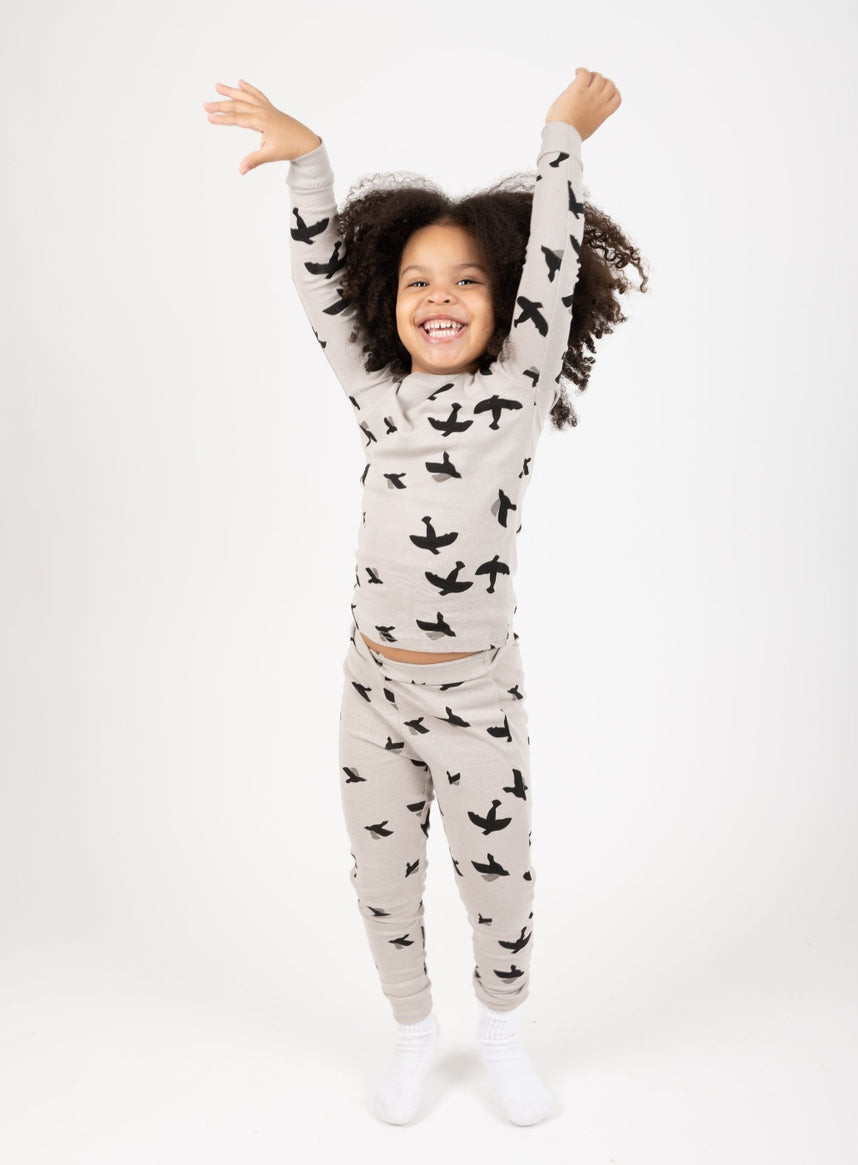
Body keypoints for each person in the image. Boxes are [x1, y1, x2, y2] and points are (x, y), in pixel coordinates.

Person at [204, 69, 647, 1126]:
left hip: (475, 695)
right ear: (388, 303)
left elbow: (552, 271)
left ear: (502, 303)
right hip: (372, 690)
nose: (439, 297)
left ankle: (500, 1031)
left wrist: (560, 139)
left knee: (498, 878)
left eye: (466, 282)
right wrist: (308, 165)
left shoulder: (514, 392)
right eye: (416, 282)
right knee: (382, 879)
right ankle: (411, 1033)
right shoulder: (379, 396)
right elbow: (319, 286)